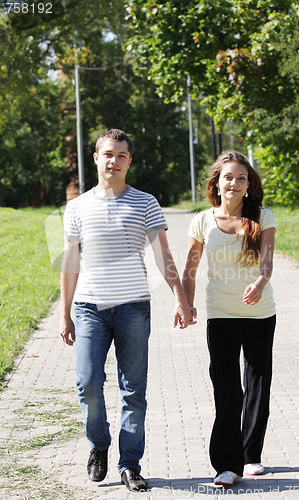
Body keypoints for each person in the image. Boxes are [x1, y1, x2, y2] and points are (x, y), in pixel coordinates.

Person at [59, 128, 195, 492]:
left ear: (129, 161)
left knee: (133, 390)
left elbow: (163, 256)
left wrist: (181, 299)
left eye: (121, 155)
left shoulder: (146, 202)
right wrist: (64, 312)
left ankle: (130, 464)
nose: (114, 160)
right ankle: (99, 445)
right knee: (88, 384)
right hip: (90, 309)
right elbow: (70, 262)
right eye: (108, 154)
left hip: (134, 307)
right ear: (96, 158)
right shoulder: (77, 207)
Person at [182, 150, 276, 487]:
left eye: (241, 178)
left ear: (249, 184)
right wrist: (186, 305)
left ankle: (251, 456)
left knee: (257, 384)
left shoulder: (262, 216)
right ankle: (226, 464)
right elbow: (189, 271)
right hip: (220, 313)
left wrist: (261, 281)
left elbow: (266, 260)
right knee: (226, 388)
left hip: (260, 312)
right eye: (228, 177)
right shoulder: (203, 220)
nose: (234, 183)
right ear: (217, 183)